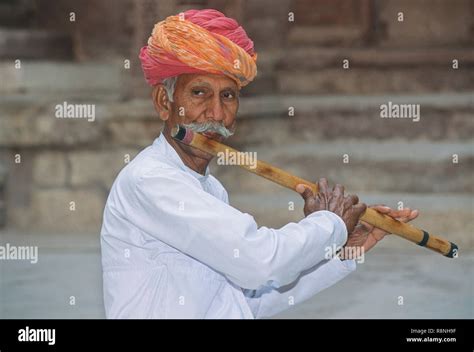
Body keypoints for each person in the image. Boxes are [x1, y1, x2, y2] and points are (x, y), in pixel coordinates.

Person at [100, 9, 418, 319]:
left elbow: (245, 302)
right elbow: (258, 262)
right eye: (199, 93)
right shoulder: (150, 180)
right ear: (163, 102)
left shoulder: (210, 188)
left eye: (227, 96)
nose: (216, 113)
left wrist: (342, 247)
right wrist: (328, 225)